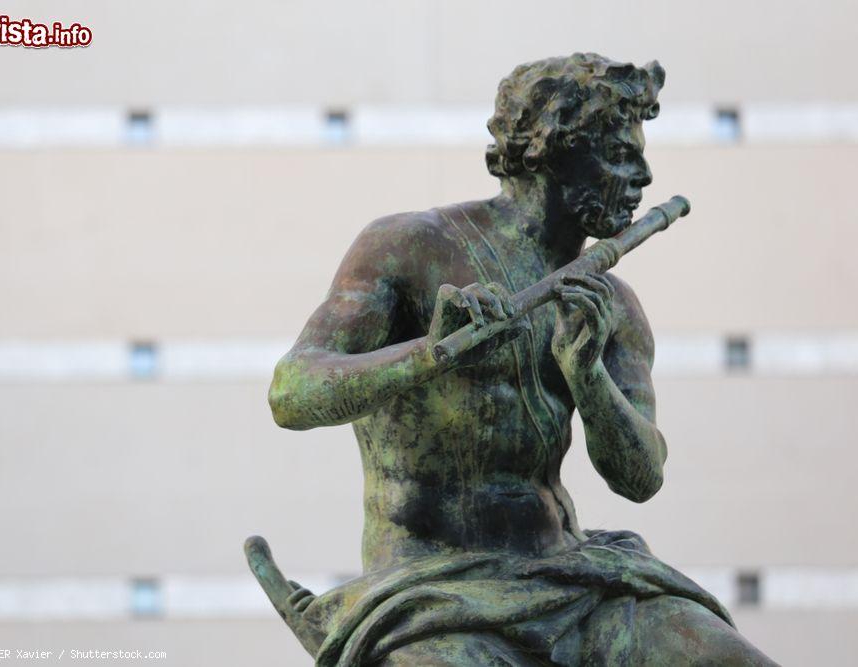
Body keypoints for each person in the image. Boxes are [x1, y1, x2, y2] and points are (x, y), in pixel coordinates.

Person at [262, 53, 775, 665]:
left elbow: (641, 478)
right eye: (618, 156)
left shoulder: (610, 302)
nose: (642, 177)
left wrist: (587, 376)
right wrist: (430, 355)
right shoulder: (408, 246)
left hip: (572, 575)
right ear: (550, 152)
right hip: (431, 587)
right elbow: (292, 393)